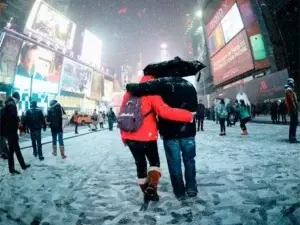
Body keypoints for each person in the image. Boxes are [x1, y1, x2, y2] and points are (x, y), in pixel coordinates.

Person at [126, 62, 203, 199]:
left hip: (170, 132)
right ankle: (191, 187)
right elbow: (194, 107)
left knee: (174, 163)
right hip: (188, 131)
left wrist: (130, 87)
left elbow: (138, 88)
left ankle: (179, 191)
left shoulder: (162, 83)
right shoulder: (189, 86)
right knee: (190, 160)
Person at [0, 92, 30, 174]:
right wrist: (18, 126)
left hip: (8, 131)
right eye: (18, 100)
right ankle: (23, 166)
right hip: (12, 132)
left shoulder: (7, 104)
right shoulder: (12, 105)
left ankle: (11, 169)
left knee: (11, 151)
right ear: (16, 98)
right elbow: (11, 120)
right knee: (17, 149)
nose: (18, 102)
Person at [285, 78, 298, 143]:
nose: (294, 84)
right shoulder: (289, 90)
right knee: (293, 124)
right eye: (293, 83)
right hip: (293, 110)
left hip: (292, 110)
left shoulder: (290, 90)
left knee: (293, 124)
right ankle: (293, 137)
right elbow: (292, 101)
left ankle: (291, 137)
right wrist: (295, 108)